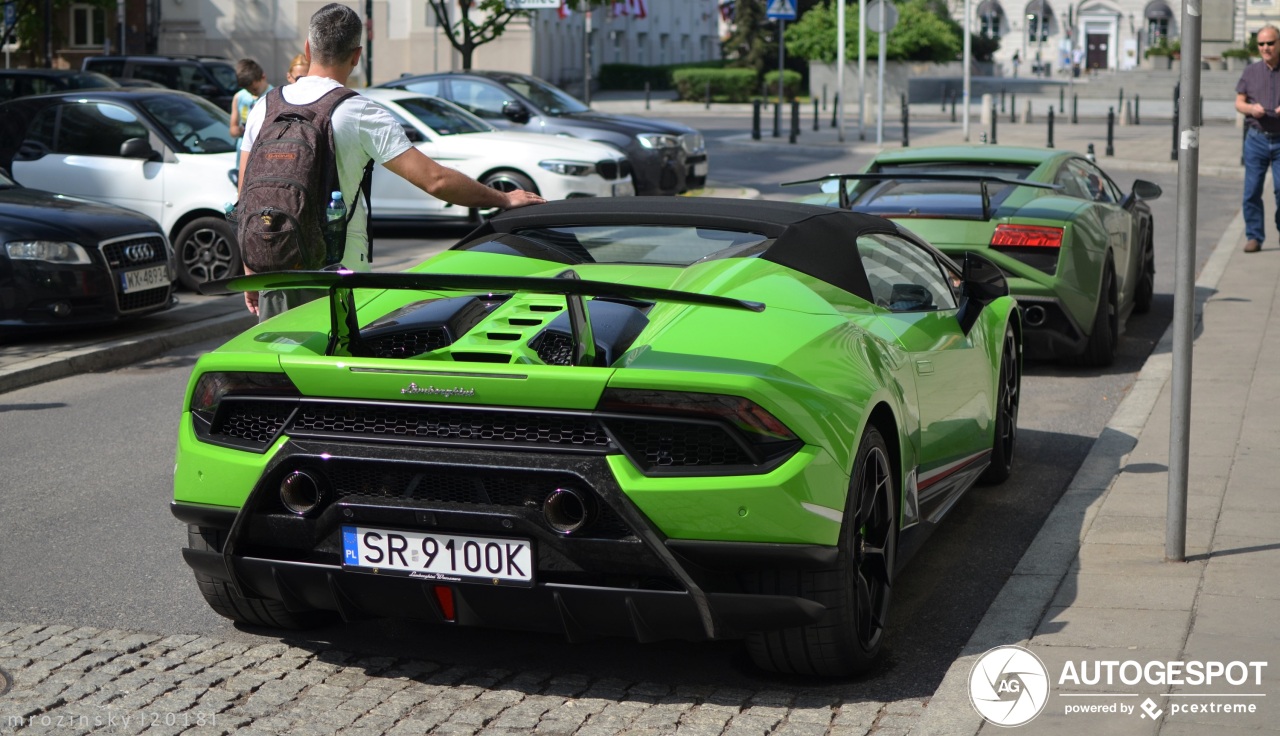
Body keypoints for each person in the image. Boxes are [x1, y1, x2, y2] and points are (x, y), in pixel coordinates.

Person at [238, 3, 545, 320]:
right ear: (356, 56)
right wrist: (503, 197)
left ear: (308, 47)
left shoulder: (266, 106)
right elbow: (434, 179)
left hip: (273, 267)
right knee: (336, 365)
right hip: (337, 272)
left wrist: (252, 263)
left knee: (276, 363)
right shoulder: (358, 111)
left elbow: (246, 192)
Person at [1236, 24, 1280, 253]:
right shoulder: (1250, 71)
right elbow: (1239, 102)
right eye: (1261, 44)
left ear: (1279, 43)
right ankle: (1254, 235)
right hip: (1256, 139)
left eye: (1270, 43)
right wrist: (1251, 109)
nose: (1265, 47)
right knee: (1252, 190)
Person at [229, 59, 271, 153]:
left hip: (262, 150)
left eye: (255, 89)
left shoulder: (274, 96)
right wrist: (239, 130)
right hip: (243, 151)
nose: (252, 93)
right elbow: (232, 129)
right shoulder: (239, 97)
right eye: (248, 91)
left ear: (263, 77)